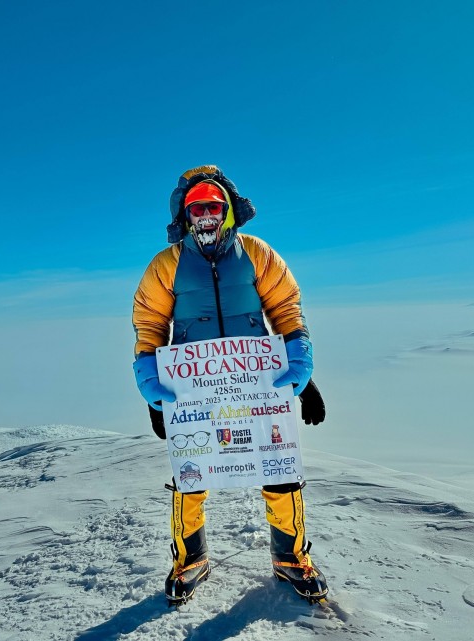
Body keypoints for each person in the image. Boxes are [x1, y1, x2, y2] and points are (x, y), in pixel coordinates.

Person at [131, 165, 329, 605]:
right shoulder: (167, 265)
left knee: (278, 469)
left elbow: (287, 310)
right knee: (190, 474)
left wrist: (302, 370)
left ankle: (291, 557)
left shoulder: (257, 253)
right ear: (185, 215)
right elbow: (149, 323)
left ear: (228, 212)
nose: (205, 215)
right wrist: (151, 381)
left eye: (213, 207)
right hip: (194, 392)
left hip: (257, 386)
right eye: (197, 207)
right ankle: (190, 559)